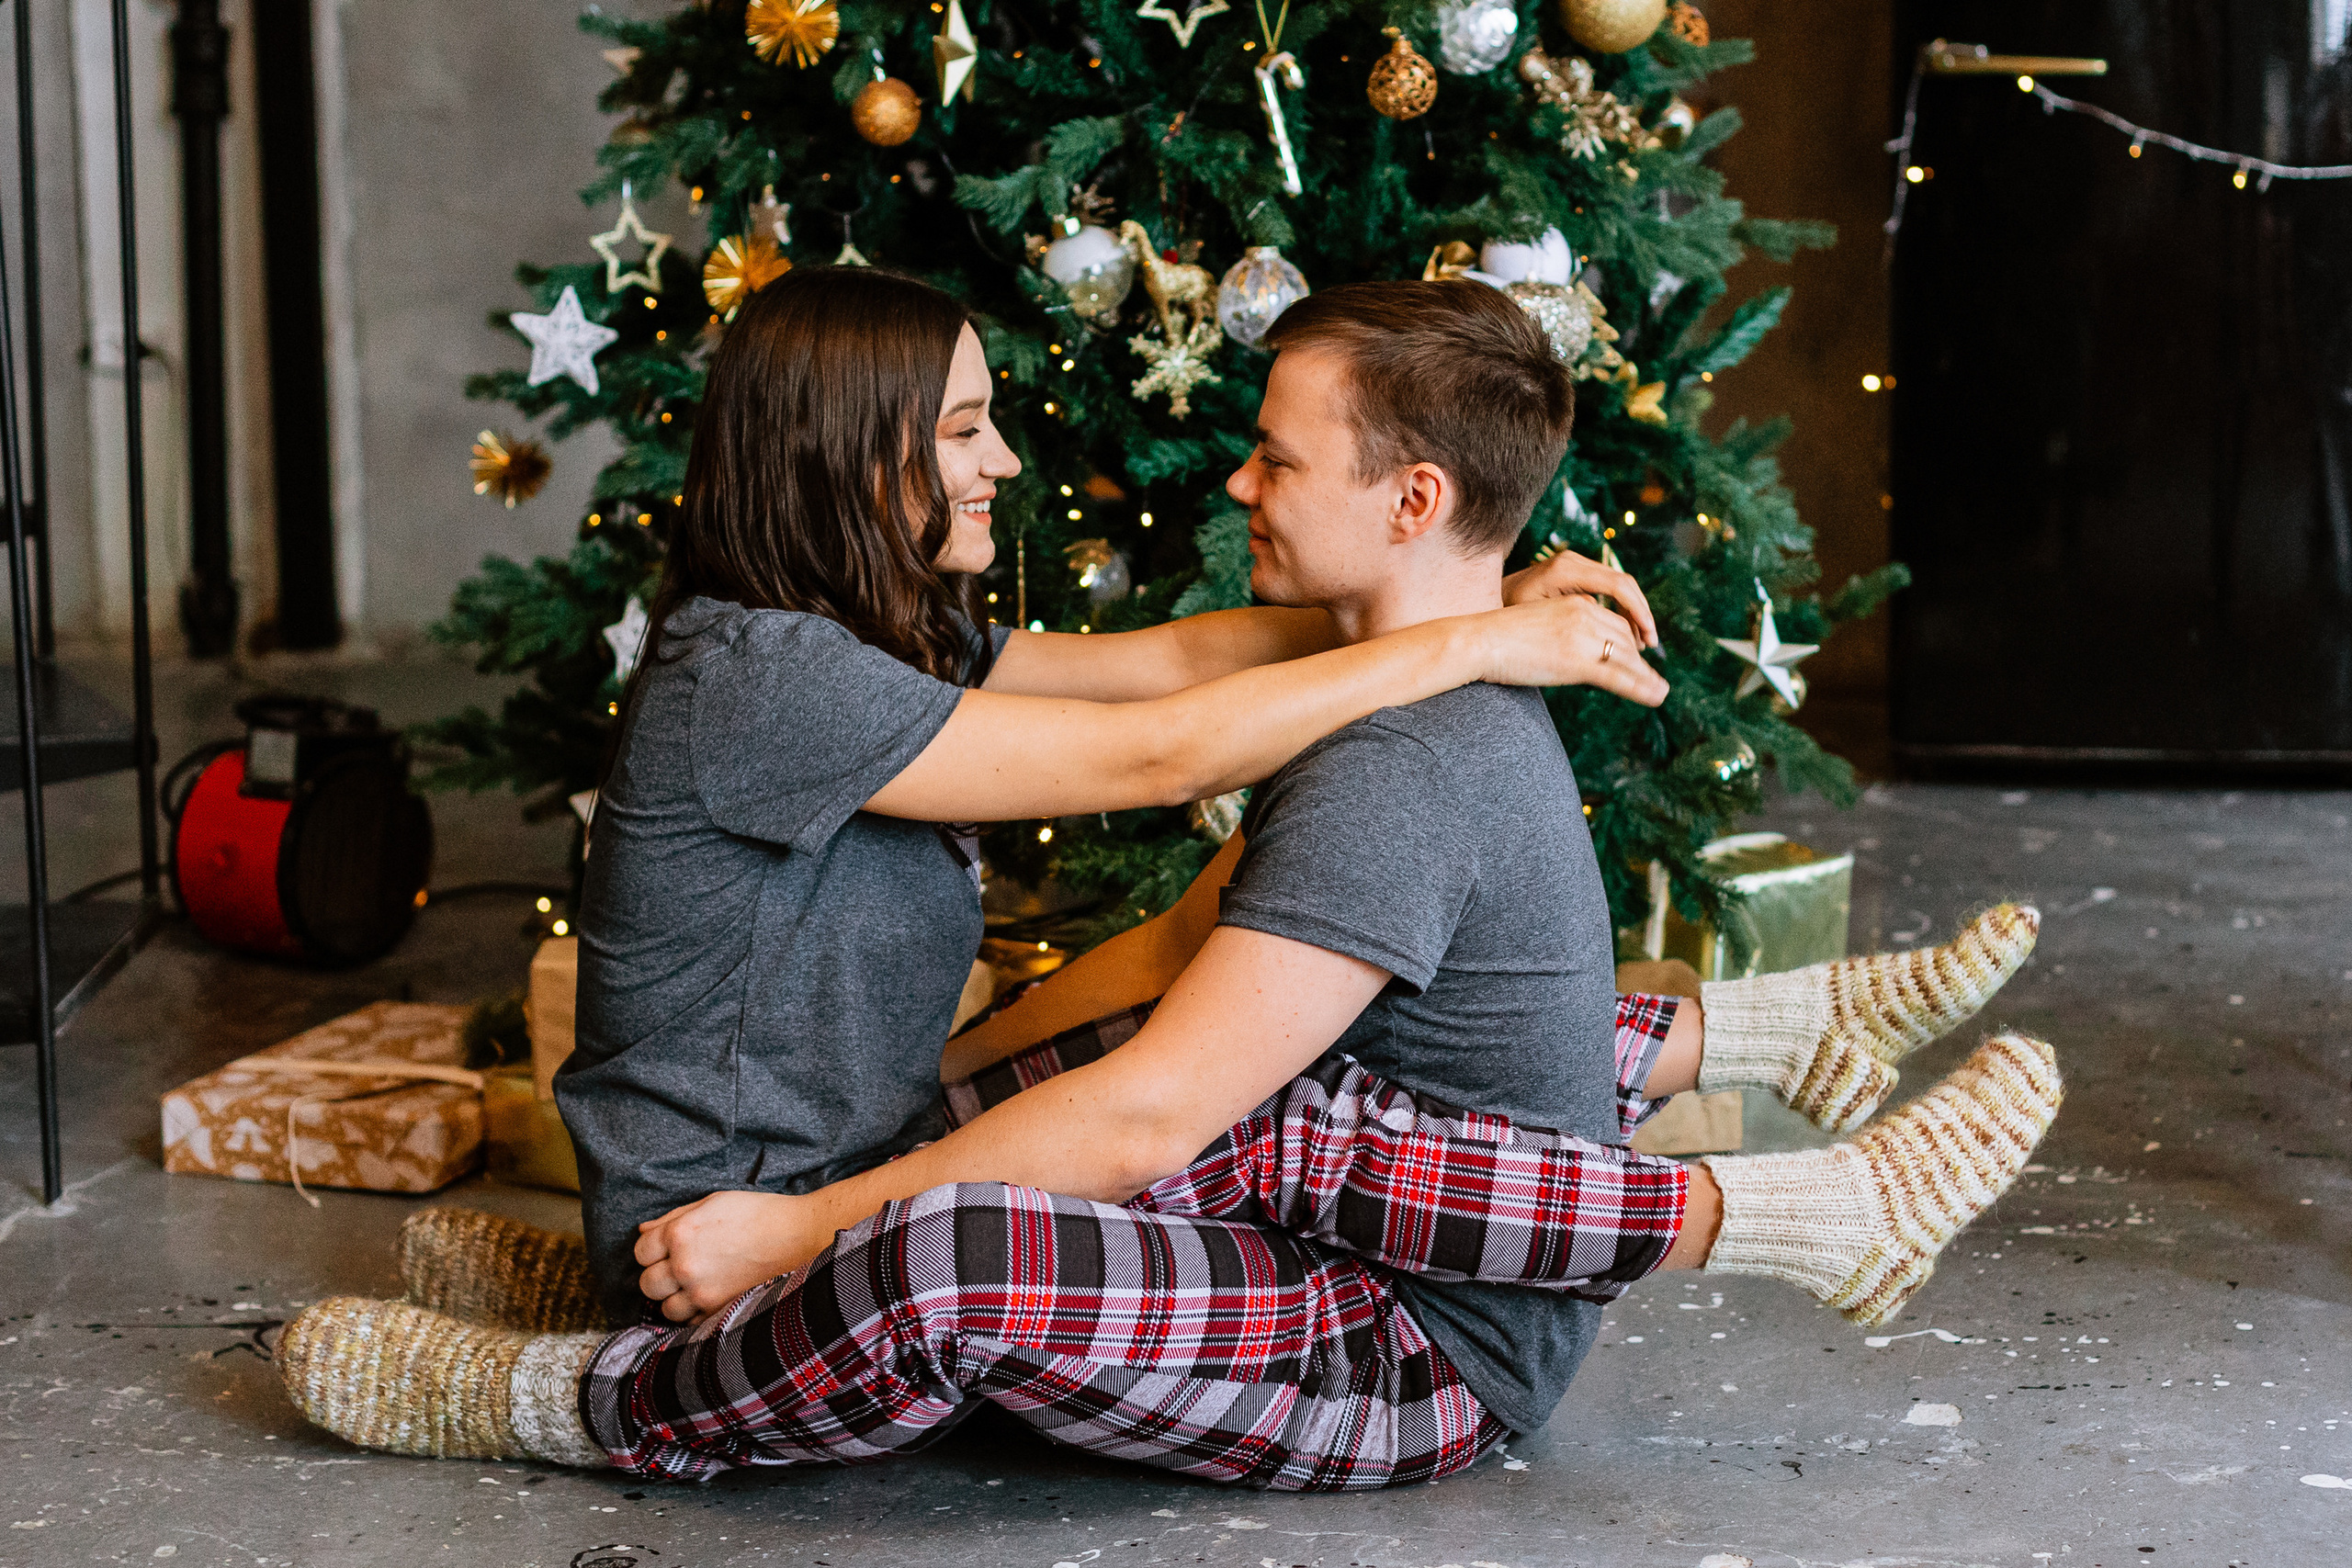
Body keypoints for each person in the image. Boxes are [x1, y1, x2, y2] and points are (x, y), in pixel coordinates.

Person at [277, 278, 2060, 1488]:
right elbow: (1158, 753)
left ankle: (1751, 1061)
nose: (1003, 458)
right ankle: (590, 1354)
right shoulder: (771, 677)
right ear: (853, 454)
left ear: (1409, 491)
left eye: (1274, 457)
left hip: (885, 1172)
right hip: (756, 1193)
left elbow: (1170, 673)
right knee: (1204, 1119)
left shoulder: (884, 638)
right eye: (965, 429)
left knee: (1211, 1102)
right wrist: (1456, 638)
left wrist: (1475, 608)